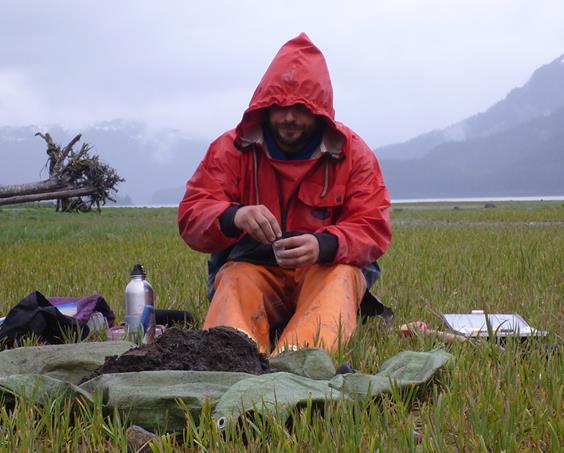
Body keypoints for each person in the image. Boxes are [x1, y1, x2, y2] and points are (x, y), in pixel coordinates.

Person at [178, 33, 392, 354]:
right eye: (279, 106)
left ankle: (297, 366)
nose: (289, 117)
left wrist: (324, 244)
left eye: (301, 108)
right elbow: (192, 216)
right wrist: (235, 216)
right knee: (234, 280)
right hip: (251, 266)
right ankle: (233, 360)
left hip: (324, 270)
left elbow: (373, 226)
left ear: (320, 111)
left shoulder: (353, 154)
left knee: (340, 278)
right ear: (264, 107)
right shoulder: (231, 149)